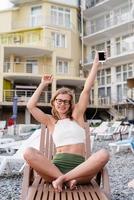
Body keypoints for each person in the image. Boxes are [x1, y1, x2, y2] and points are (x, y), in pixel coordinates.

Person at [23, 51, 109, 192]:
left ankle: (64, 179)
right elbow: (30, 106)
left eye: (66, 102)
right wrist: (43, 84)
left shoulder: (77, 116)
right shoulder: (51, 122)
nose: (62, 104)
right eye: (59, 101)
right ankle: (65, 179)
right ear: (54, 102)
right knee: (28, 152)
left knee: (104, 153)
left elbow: (86, 90)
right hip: (54, 170)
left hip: (80, 172)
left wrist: (95, 65)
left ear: (70, 105)